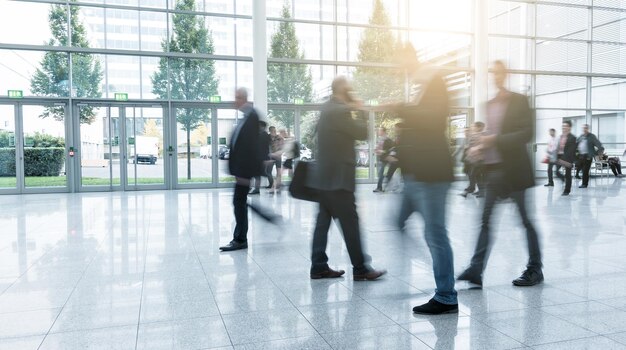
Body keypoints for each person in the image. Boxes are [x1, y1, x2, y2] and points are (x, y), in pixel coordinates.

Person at [457, 60, 543, 287]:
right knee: (485, 220)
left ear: (506, 74)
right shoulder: (489, 105)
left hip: (515, 171)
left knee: (525, 221)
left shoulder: (520, 101)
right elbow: (491, 136)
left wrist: (492, 140)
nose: (495, 75)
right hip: (494, 171)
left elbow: (526, 133)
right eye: (492, 72)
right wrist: (480, 149)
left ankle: (535, 269)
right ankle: (476, 269)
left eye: (499, 71)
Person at [308, 76, 386, 281]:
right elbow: (363, 132)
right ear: (343, 90)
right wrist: (359, 109)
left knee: (322, 223)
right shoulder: (340, 111)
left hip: (324, 179)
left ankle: (318, 266)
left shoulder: (326, 108)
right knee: (350, 223)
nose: (352, 92)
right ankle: (361, 268)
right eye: (350, 89)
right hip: (338, 180)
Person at [394, 70, 458, 315]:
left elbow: (431, 120)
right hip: (416, 175)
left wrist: (401, 107)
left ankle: (446, 296)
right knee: (399, 221)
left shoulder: (436, 84)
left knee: (436, 234)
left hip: (432, 176)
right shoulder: (420, 91)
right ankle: (424, 259)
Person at [219, 88, 264, 252]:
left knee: (239, 203)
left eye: (237, 97)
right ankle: (239, 238)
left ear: (244, 98)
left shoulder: (251, 116)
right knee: (239, 203)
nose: (234, 100)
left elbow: (252, 147)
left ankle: (240, 239)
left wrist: (247, 174)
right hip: (241, 172)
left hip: (243, 173)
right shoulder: (246, 117)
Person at [461, 121, 485, 198]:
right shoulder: (475, 135)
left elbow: (481, 146)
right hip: (474, 159)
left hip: (478, 159)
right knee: (477, 175)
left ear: (479, 127)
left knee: (473, 174)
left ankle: (473, 190)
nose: (473, 128)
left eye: (474, 126)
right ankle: (480, 191)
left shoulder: (481, 135)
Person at [576, 124, 604, 188]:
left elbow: (599, 146)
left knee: (585, 170)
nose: (584, 129)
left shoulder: (592, 136)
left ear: (588, 129)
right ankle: (581, 180)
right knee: (582, 170)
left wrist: (595, 153)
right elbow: (576, 144)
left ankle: (584, 184)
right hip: (580, 156)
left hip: (588, 156)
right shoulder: (581, 136)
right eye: (583, 128)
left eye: (585, 128)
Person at [555, 121, 576, 196]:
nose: (564, 127)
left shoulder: (572, 137)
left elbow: (571, 150)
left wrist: (564, 160)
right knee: (556, 172)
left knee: (568, 174)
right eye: (563, 126)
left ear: (569, 127)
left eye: (566, 126)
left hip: (568, 158)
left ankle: (567, 190)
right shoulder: (560, 136)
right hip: (559, 156)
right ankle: (563, 179)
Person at [250, 121, 272, 195]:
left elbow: (264, 147)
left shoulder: (264, 135)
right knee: (259, 174)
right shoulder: (261, 134)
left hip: (262, 158)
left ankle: (276, 183)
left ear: (262, 126)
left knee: (260, 173)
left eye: (258, 126)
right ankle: (256, 189)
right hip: (260, 158)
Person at [373, 127, 395, 192]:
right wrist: (377, 150)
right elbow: (381, 148)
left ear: (383, 132)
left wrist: (383, 151)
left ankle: (380, 188)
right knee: (382, 173)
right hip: (382, 158)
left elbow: (391, 149)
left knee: (382, 173)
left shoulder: (388, 140)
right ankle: (382, 187)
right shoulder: (381, 139)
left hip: (386, 159)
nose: (378, 132)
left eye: (380, 131)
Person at [268, 126, 285, 194]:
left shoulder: (279, 137)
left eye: (274, 130)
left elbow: (283, 146)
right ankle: (272, 184)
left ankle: (277, 185)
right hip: (270, 156)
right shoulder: (267, 137)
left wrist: (280, 153)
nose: (274, 132)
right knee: (268, 171)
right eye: (272, 131)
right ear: (270, 131)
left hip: (277, 156)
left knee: (278, 172)